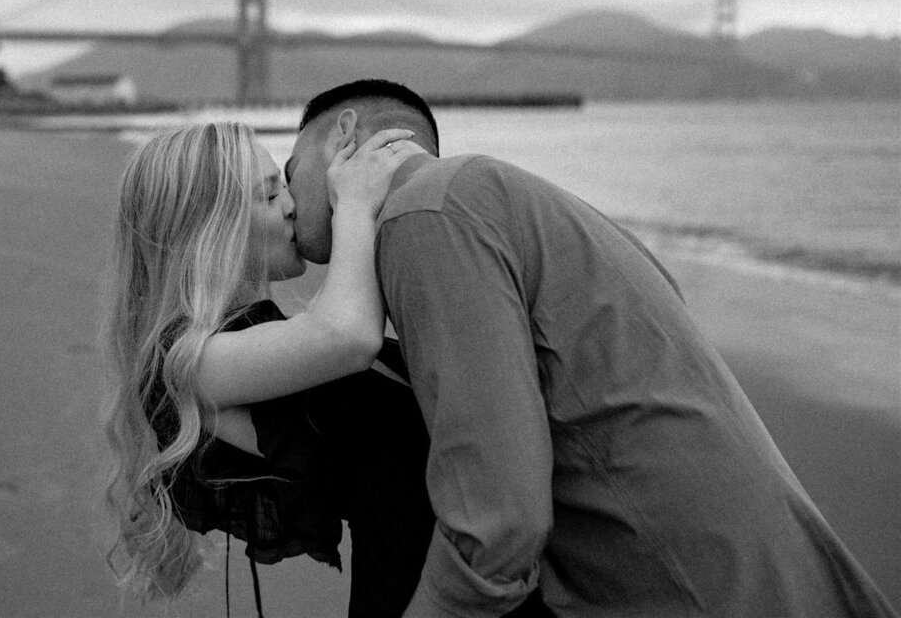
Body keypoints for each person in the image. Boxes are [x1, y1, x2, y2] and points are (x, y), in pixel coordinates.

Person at [283, 79, 899, 618]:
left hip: (685, 588)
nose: (284, 203)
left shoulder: (424, 214)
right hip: (767, 574)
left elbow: (499, 524)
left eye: (288, 173)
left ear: (344, 136)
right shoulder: (532, 204)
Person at [101, 121, 552, 617]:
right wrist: (355, 203)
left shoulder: (264, 337)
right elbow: (349, 337)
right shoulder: (185, 363)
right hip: (429, 588)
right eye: (270, 195)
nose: (292, 204)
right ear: (211, 230)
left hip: (471, 569)